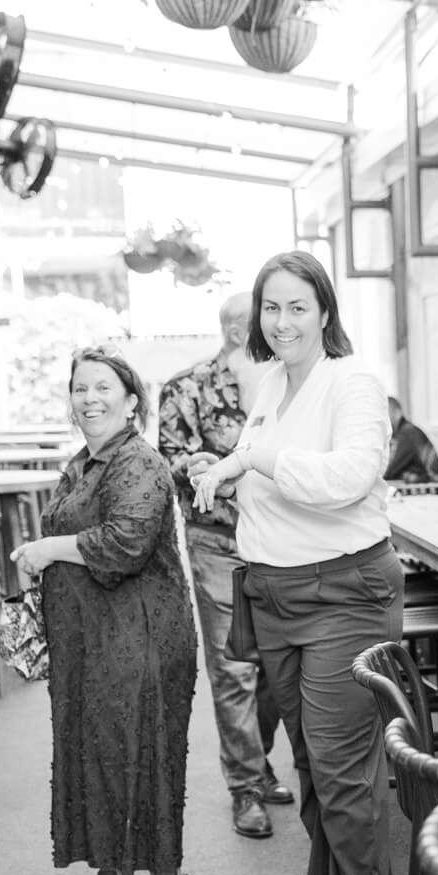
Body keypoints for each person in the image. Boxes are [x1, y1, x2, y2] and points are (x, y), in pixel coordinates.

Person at [192, 251, 404, 875]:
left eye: (296, 306)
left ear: (324, 310)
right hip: (276, 594)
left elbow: (346, 478)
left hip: (343, 593)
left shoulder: (353, 383)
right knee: (313, 764)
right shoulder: (272, 385)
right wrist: (226, 467)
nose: (281, 322)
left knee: (347, 776)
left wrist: (255, 457)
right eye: (270, 309)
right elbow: (265, 477)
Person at [15, 347, 205, 875]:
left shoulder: (139, 462)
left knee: (144, 762)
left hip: (143, 641)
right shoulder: (85, 461)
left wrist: (48, 548)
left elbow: (125, 542)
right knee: (96, 756)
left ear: (131, 401)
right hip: (94, 646)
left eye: (103, 387)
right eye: (79, 388)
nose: (89, 398)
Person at [159, 296, 292, 842]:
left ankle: (256, 763)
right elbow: (166, 461)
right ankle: (245, 788)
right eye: (267, 319)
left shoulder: (287, 385)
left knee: (275, 663)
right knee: (234, 664)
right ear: (241, 331)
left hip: (281, 539)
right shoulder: (184, 387)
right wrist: (190, 467)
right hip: (217, 541)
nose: (279, 329)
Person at [384, 397, 438, 485]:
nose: (384, 420)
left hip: (435, 486)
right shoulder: (404, 433)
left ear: (398, 413)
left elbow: (389, 471)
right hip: (429, 485)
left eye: (387, 415)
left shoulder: (408, 433)